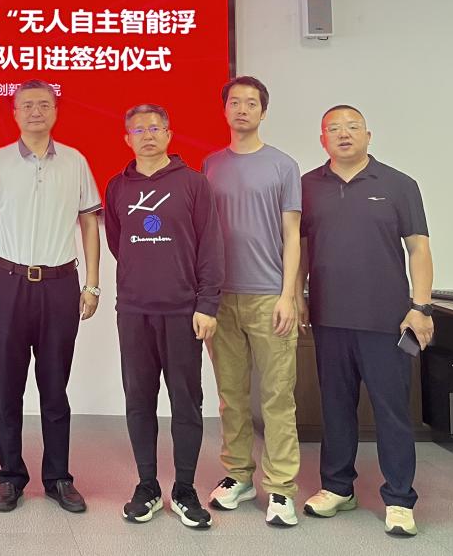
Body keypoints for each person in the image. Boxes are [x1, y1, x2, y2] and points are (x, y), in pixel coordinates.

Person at [300, 105, 433, 538]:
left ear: (368, 135)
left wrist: (421, 306)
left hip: (385, 320)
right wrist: (297, 296)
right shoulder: (307, 186)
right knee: (335, 407)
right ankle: (338, 487)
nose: (344, 134)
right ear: (323, 139)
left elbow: (419, 248)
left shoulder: (398, 184)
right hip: (329, 318)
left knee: (391, 411)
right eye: (334, 129)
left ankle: (399, 498)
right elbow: (300, 248)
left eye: (352, 127)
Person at [0, 79, 101, 514]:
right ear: (14, 113)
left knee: (54, 386)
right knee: (8, 387)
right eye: (27, 105)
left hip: (60, 284)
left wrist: (92, 283)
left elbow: (89, 222)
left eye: (43, 105)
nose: (35, 112)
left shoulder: (75, 161)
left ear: (55, 111)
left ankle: (58, 478)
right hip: (8, 283)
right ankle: (10, 477)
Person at [103, 103, 223, 530]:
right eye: (139, 129)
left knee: (186, 401)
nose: (148, 135)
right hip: (134, 310)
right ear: (127, 138)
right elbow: (118, 242)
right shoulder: (117, 187)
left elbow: (210, 245)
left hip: (183, 311)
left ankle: (185, 489)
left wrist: (207, 304)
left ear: (169, 135)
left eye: (155, 128)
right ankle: (148, 486)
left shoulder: (193, 183)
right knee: (139, 399)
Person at [202, 76, 303, 527]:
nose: (242, 109)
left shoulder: (283, 166)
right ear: (224, 109)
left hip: (269, 298)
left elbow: (292, 235)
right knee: (231, 395)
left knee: (277, 395)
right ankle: (238, 475)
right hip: (222, 298)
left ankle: (281, 486)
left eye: (251, 103)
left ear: (263, 111)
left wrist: (289, 295)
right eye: (235, 102)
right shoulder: (210, 164)